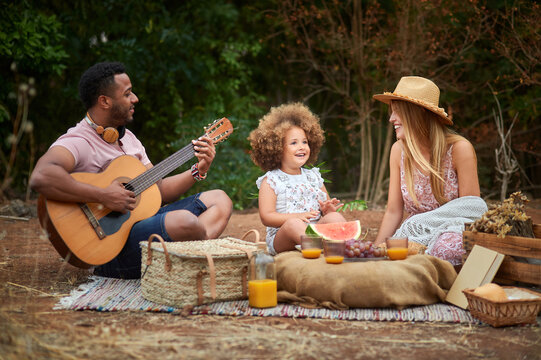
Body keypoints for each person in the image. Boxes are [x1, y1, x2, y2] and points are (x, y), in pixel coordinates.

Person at [30, 62, 232, 278]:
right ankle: (195, 257)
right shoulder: (79, 140)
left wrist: (198, 170)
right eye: (127, 94)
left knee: (220, 200)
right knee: (186, 222)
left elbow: (159, 190)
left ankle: (187, 258)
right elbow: (41, 176)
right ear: (105, 101)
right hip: (107, 250)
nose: (135, 98)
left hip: (142, 226)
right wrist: (103, 195)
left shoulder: (129, 139)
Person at [373, 76, 487, 265]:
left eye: (397, 111)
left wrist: (422, 228)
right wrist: (375, 251)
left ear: (418, 113)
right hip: (416, 238)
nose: (391, 118)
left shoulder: (459, 149)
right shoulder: (398, 151)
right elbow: (393, 211)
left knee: (446, 247)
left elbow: (472, 212)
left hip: (451, 235)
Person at [248, 103, 346, 254]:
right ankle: (320, 249)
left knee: (335, 217)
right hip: (284, 236)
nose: (301, 146)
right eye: (294, 143)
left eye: (305, 142)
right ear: (277, 148)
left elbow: (324, 205)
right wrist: (298, 216)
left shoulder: (313, 176)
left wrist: (327, 210)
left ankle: (344, 248)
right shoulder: (272, 181)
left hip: (315, 229)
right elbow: (267, 217)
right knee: (293, 224)